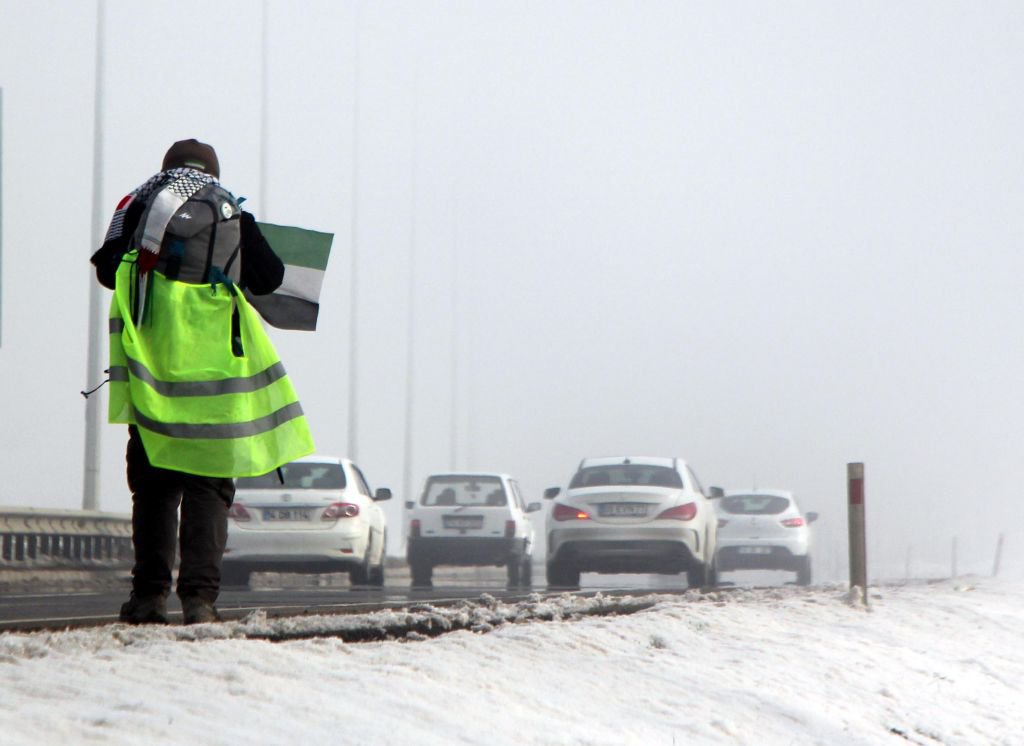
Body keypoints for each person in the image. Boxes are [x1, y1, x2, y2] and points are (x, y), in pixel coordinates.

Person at [91, 139, 315, 625]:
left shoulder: (137, 205)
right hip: (216, 382)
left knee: (152, 490)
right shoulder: (232, 212)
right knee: (208, 491)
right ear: (212, 172)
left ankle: (149, 598)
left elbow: (107, 271)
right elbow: (271, 277)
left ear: (167, 168)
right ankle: (199, 601)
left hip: (154, 377)